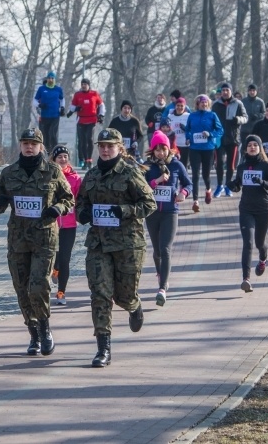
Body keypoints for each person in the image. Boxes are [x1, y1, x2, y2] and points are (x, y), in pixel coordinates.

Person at [75, 128, 156, 368]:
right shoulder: (90, 176)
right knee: (100, 294)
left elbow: (149, 203)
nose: (106, 150)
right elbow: (80, 205)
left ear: (120, 148)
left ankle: (134, 305)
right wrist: (84, 214)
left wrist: (126, 211)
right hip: (99, 244)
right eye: (102, 146)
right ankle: (103, 348)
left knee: (123, 295)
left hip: (128, 243)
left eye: (110, 146)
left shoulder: (130, 173)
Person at [0, 128, 74, 357]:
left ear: (41, 146)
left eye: (34, 143)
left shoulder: (52, 171)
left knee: (38, 286)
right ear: (20, 146)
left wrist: (57, 208)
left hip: (44, 238)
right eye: (25, 143)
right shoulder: (9, 173)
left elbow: (68, 198)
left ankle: (45, 328)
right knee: (22, 289)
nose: (29, 147)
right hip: (18, 239)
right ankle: (33, 334)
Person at [228, 135, 268, 293]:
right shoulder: (242, 167)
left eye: (255, 145)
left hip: (263, 209)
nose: (252, 147)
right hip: (246, 209)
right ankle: (246, 279)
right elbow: (239, 185)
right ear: (245, 149)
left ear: (260, 148)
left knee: (259, 243)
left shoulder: (266, 166)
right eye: (249, 145)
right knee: (248, 243)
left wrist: (263, 183)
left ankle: (263, 258)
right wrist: (233, 186)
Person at [143, 131, 192, 306]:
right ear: (152, 151)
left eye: (163, 149)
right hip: (153, 213)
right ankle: (160, 274)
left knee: (165, 249)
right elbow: (141, 187)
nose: (160, 153)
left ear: (168, 149)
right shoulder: (147, 166)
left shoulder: (177, 165)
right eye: (157, 150)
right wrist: (155, 181)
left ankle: (162, 289)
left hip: (171, 212)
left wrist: (183, 193)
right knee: (156, 251)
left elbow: (188, 183)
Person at [49, 145, 81, 305]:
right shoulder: (48, 176)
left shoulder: (75, 178)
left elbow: (79, 199)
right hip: (51, 224)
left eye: (65, 156)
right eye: (59, 157)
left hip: (69, 224)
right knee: (53, 255)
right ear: (53, 160)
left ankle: (61, 292)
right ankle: (55, 269)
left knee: (65, 258)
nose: (62, 159)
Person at [185, 94, 223, 213]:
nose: (204, 104)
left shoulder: (212, 115)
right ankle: (195, 201)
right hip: (194, 148)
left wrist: (210, 134)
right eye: (201, 102)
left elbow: (220, 130)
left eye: (206, 102)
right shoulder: (192, 115)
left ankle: (208, 190)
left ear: (208, 104)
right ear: (197, 104)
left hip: (208, 148)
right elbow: (187, 129)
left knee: (206, 175)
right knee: (195, 175)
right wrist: (188, 137)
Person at [211, 82, 248, 198]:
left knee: (231, 165)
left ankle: (228, 186)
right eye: (223, 91)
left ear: (231, 91)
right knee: (220, 163)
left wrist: (237, 119)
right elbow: (211, 119)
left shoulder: (238, 103)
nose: (225, 92)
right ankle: (219, 186)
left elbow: (245, 118)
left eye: (227, 90)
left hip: (233, 138)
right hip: (219, 139)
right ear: (220, 92)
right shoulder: (216, 104)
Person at [68, 78, 105, 169]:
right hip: (81, 120)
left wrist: (101, 115)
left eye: (85, 84)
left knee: (89, 138)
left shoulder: (94, 94)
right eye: (82, 84)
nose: (84, 86)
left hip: (92, 119)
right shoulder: (77, 95)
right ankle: (85, 160)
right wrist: (76, 109)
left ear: (88, 85)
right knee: (82, 140)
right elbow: (72, 107)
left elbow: (101, 105)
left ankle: (89, 160)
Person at [34, 71, 65, 152]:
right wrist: (39, 105)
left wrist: (62, 108)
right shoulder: (42, 89)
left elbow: (62, 99)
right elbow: (34, 100)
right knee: (45, 135)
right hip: (44, 115)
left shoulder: (58, 89)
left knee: (53, 134)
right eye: (49, 78)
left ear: (54, 79)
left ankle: (55, 151)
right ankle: (46, 151)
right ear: (47, 79)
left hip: (55, 115)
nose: (50, 80)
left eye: (52, 78)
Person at [169, 98, 191, 169]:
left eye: (182, 106)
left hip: (185, 144)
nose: (180, 107)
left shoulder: (188, 116)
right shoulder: (170, 116)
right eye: (178, 105)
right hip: (174, 145)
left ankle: (183, 179)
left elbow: (192, 129)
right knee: (173, 165)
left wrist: (186, 129)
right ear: (175, 106)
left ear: (185, 106)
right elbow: (165, 129)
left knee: (183, 166)